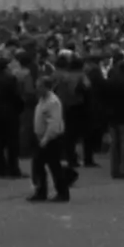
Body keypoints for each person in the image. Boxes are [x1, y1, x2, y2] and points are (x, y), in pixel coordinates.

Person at [28, 73, 74, 203]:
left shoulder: (53, 102)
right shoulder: (42, 99)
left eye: (39, 86)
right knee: (39, 165)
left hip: (51, 139)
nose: (36, 89)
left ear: (46, 87)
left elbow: (54, 123)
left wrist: (46, 139)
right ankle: (41, 190)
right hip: (40, 137)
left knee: (53, 166)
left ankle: (62, 192)